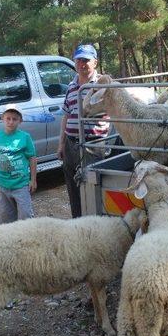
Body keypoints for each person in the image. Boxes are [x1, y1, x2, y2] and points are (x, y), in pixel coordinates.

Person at [58, 44, 109, 218]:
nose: (82, 64)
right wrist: (61, 144)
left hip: (93, 144)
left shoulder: (104, 84)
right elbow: (66, 115)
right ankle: (77, 223)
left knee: (92, 188)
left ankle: (94, 226)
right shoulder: (71, 86)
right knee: (73, 188)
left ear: (95, 62)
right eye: (79, 60)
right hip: (71, 144)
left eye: (86, 60)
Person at [0, 104, 37, 223]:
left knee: (25, 216)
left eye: (14, 119)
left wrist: (33, 179)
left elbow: (32, 158)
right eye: (8, 118)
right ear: (2, 119)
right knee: (4, 217)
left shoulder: (25, 137)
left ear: (20, 120)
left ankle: (26, 239)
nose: (11, 122)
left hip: (21, 184)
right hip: (3, 185)